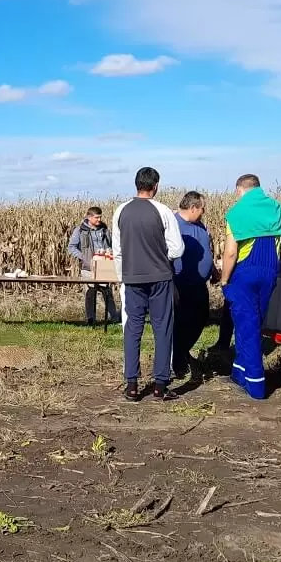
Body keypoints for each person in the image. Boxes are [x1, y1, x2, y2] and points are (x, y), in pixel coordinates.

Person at [114, 167, 185, 401]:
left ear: (136, 184)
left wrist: (121, 278)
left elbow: (118, 251)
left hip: (132, 278)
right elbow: (177, 248)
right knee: (162, 329)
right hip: (160, 278)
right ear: (155, 186)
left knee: (133, 329)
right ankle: (161, 385)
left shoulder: (120, 211)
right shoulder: (163, 210)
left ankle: (132, 385)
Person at [219, 174, 281, 399]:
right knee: (254, 323)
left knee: (246, 327)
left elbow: (230, 252)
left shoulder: (237, 212)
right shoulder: (277, 209)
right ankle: (238, 373)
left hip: (244, 274)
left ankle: (256, 385)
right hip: (269, 272)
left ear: (240, 189)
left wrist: (224, 279)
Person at [173, 191, 215, 380]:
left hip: (199, 282)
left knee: (201, 318)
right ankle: (178, 360)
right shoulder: (173, 225)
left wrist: (213, 269)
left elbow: (206, 249)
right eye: (202, 208)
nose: (204, 212)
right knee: (182, 323)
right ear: (192, 208)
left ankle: (182, 352)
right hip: (182, 283)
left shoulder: (200, 224)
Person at [68, 206, 119, 326]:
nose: (99, 219)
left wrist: (110, 252)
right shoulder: (80, 230)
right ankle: (91, 319)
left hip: (104, 266)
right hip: (88, 268)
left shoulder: (105, 230)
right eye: (96, 217)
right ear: (89, 217)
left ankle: (114, 319)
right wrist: (84, 258)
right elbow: (71, 247)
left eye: (100, 217)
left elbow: (112, 244)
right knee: (90, 294)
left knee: (107, 293)